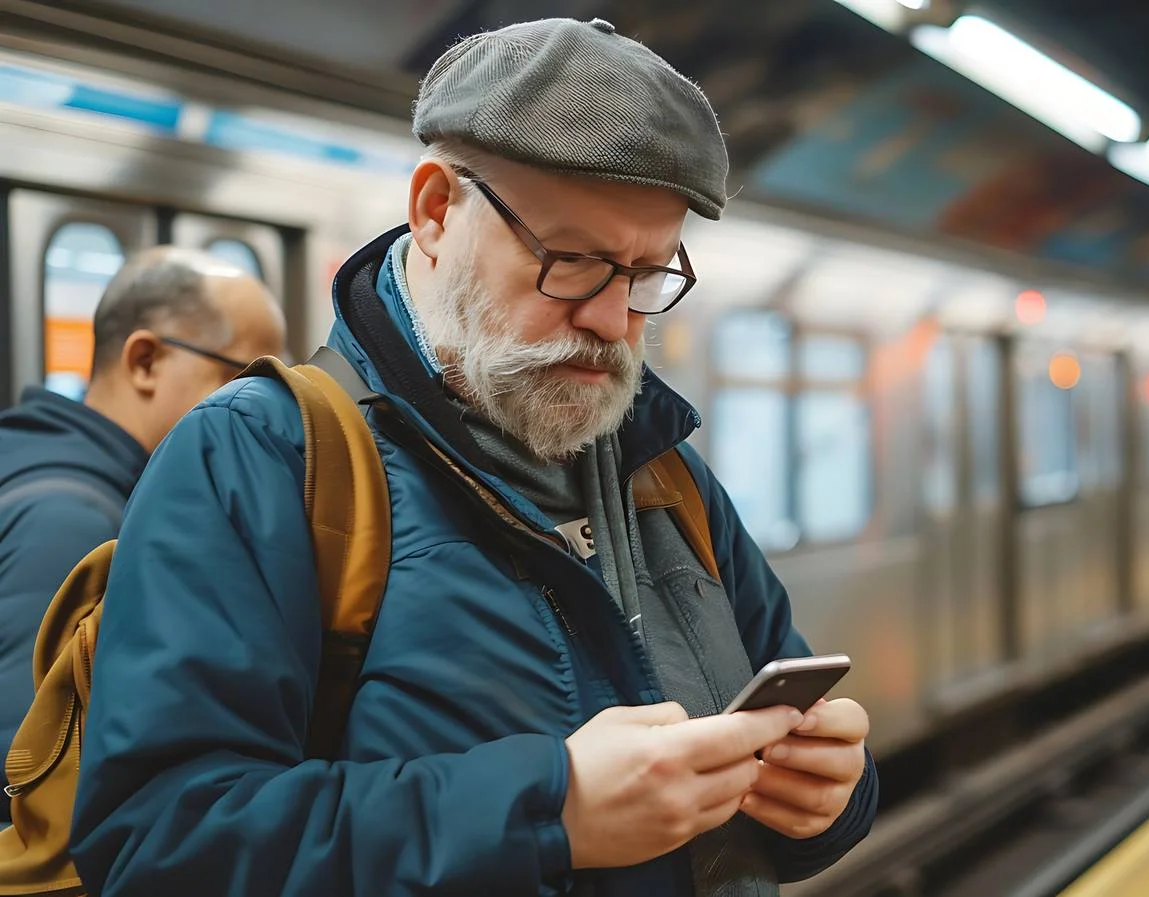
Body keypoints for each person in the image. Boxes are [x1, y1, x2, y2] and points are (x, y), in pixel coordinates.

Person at [69, 18, 878, 897]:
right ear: (435, 210)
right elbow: (159, 841)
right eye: (572, 262)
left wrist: (832, 794)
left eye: (648, 277)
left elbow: (780, 738)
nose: (613, 322)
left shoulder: (661, 472)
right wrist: (547, 812)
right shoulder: (263, 458)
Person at [0, 247, 284, 820]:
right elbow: (33, 781)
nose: (266, 409)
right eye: (245, 378)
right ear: (145, 361)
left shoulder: (29, 454)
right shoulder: (78, 524)